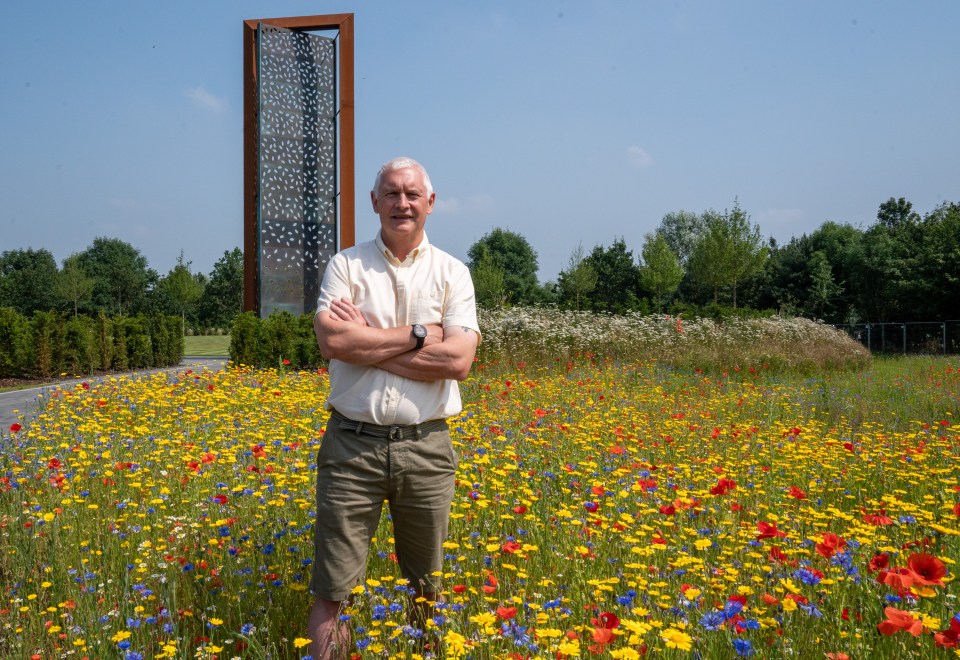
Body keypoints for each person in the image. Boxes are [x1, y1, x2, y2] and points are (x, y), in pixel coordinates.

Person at [306, 157, 480, 659]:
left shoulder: (453, 273)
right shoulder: (346, 265)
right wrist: (420, 336)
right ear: (374, 202)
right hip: (351, 447)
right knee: (332, 590)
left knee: (427, 587)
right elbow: (332, 340)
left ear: (430, 203)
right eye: (390, 193)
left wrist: (370, 344)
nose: (401, 203)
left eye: (411, 194)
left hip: (425, 448)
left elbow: (460, 360)